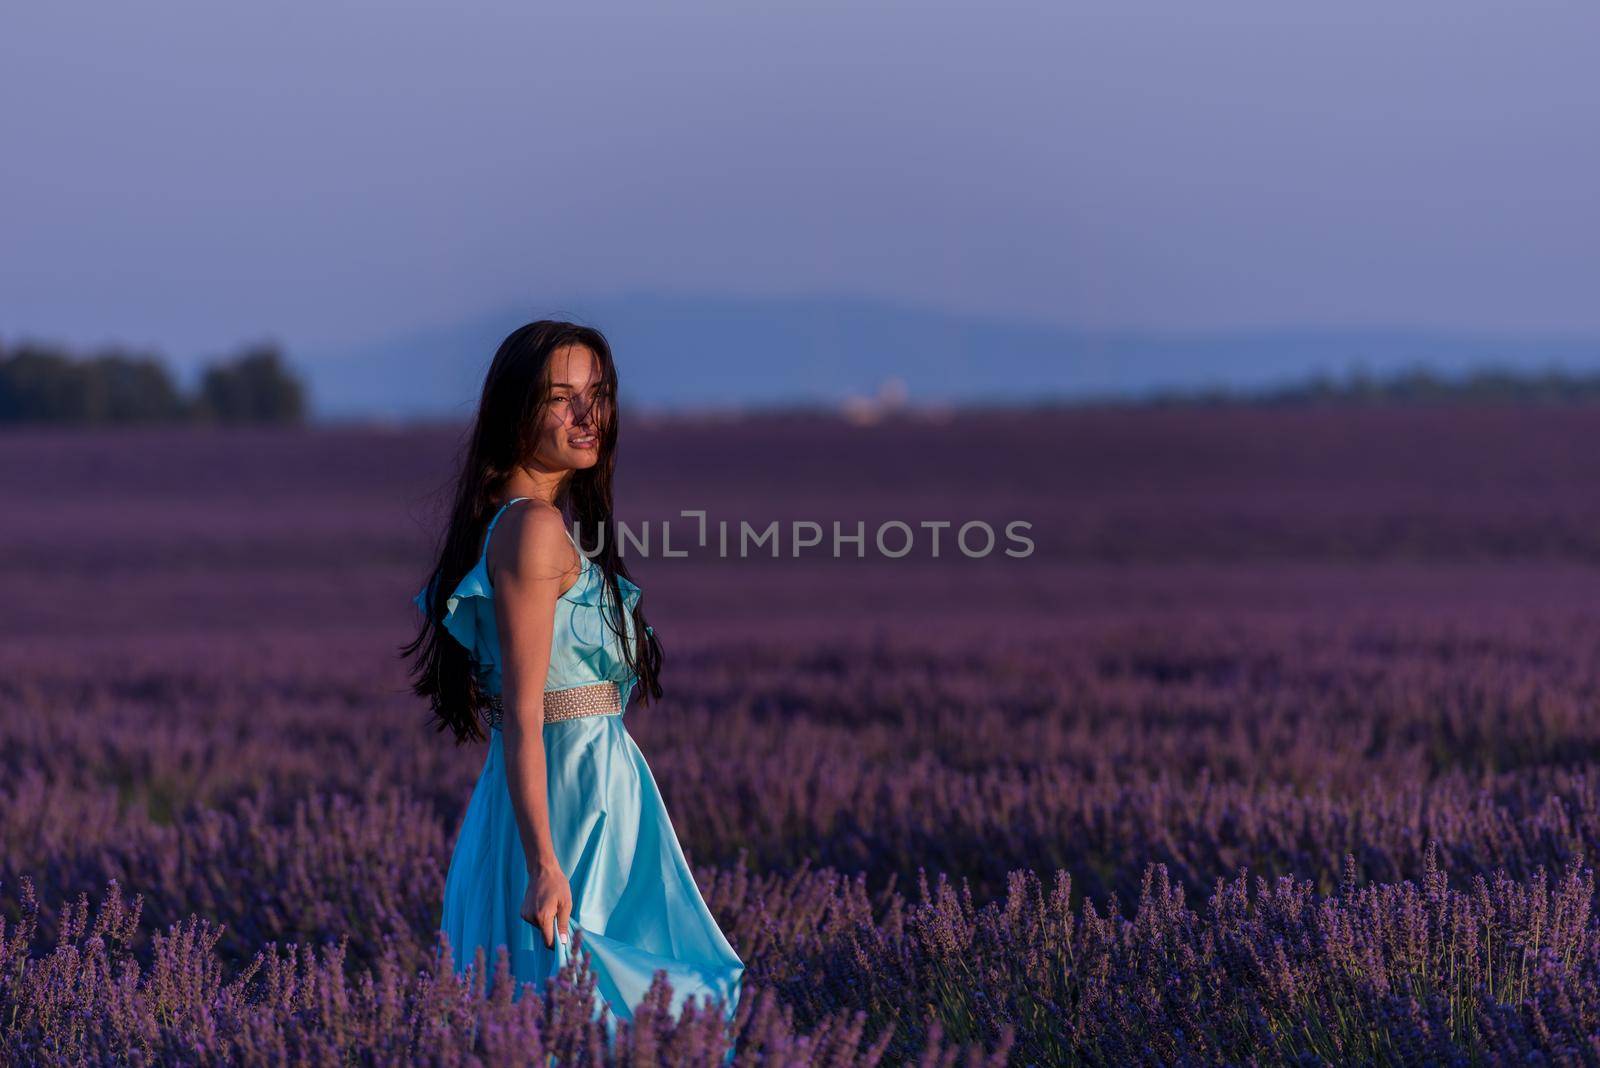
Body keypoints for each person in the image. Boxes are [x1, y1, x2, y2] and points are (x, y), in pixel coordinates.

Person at [402, 321, 743, 1044]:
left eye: (599, 395)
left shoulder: (529, 525)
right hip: (570, 805)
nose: (588, 416)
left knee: (619, 1020)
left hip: (591, 797)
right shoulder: (531, 532)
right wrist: (544, 865)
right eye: (562, 398)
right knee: (608, 1015)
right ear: (514, 409)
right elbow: (523, 715)